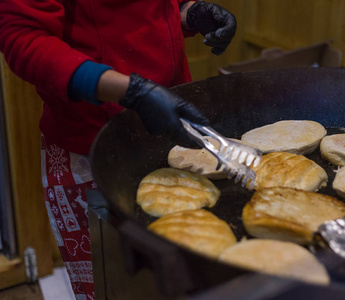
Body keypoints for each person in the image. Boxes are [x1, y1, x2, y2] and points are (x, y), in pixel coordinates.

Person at [0, 0, 236, 298]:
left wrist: (188, 13)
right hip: (92, 148)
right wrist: (130, 91)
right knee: (114, 286)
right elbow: (24, 38)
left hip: (168, 127)